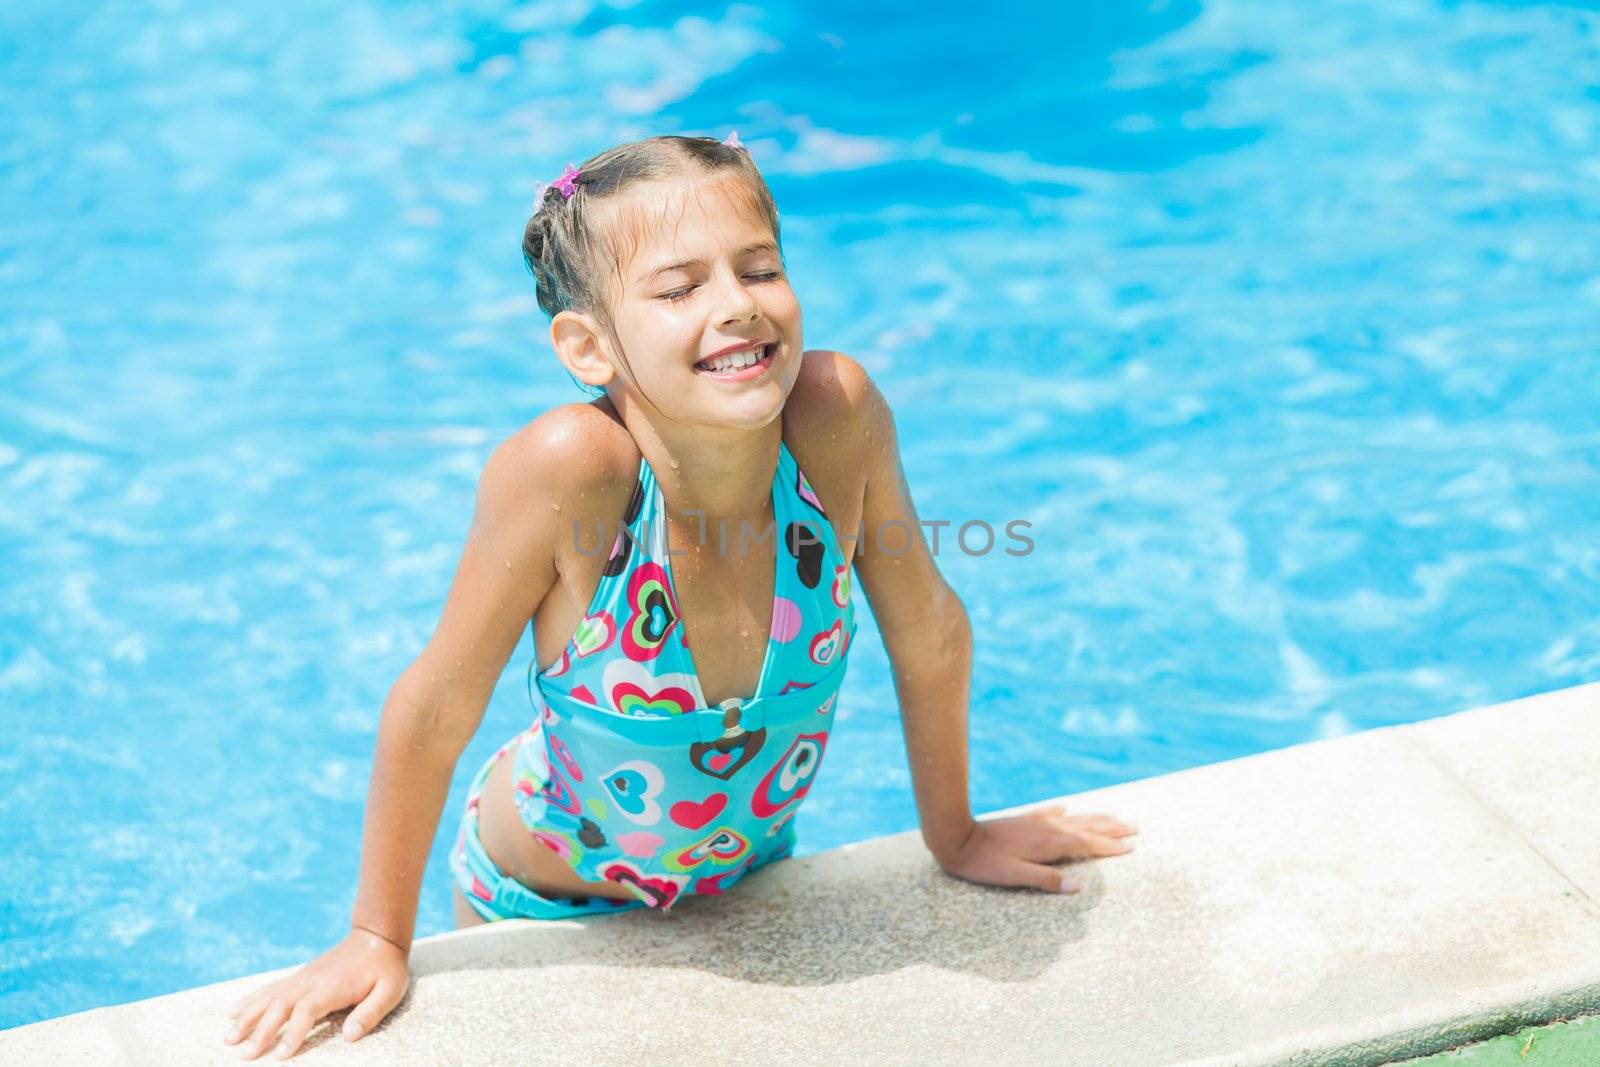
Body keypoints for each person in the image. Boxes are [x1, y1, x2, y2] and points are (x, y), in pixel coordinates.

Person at [222, 131, 1138, 1061]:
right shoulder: (572, 472)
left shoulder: (833, 421)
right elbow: (436, 703)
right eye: (678, 287)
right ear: (588, 347)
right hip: (545, 896)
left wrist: (956, 832)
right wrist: (377, 936)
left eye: (759, 268)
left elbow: (930, 629)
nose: (737, 306)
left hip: (740, 873)